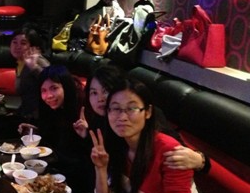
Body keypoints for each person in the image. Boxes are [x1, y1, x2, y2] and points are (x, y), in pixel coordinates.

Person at [73, 65, 211, 174]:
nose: (100, 99)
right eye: (94, 93)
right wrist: (86, 135)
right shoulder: (99, 120)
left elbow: (181, 154)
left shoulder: (143, 116)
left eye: (106, 90)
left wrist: (200, 160)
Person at [19, 65, 91, 193]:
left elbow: (84, 154)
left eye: (54, 88)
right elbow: (54, 139)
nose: (49, 96)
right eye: (44, 91)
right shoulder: (52, 110)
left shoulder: (83, 109)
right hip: (56, 172)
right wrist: (36, 131)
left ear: (66, 86)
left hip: (78, 183)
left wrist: (86, 134)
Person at [10, 24, 50, 120]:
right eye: (14, 42)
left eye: (23, 43)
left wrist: (34, 67)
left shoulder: (38, 61)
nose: (17, 46)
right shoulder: (20, 62)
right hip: (27, 114)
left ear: (33, 47)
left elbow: (53, 81)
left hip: (41, 118)